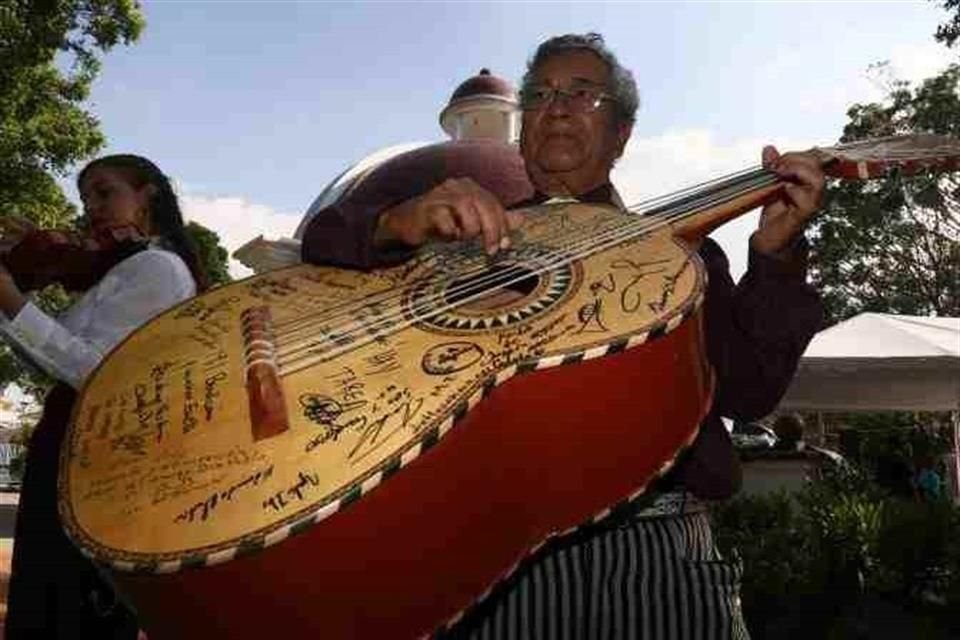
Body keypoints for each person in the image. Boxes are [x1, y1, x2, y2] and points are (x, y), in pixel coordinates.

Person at [303, 33, 824, 639]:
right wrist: (397, 222)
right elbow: (320, 253)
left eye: (583, 94)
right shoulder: (456, 242)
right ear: (522, 131)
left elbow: (750, 391)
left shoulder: (683, 256)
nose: (557, 106)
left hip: (662, 554)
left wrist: (776, 255)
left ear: (623, 134)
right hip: (497, 564)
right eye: (542, 95)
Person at [2, 155, 206, 639]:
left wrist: (12, 301)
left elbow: (98, 371)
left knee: (67, 607)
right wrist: (11, 306)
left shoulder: (157, 267)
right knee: (56, 601)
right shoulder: (122, 270)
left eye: (104, 192)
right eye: (85, 198)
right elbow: (54, 357)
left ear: (148, 194)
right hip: (75, 446)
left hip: (95, 453)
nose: (91, 208)